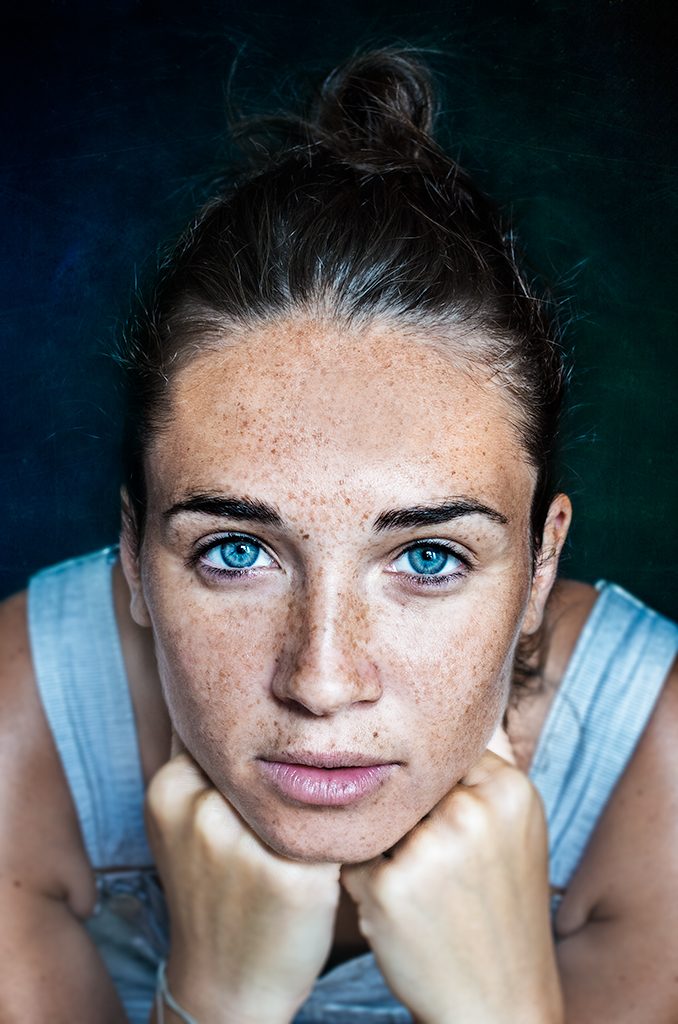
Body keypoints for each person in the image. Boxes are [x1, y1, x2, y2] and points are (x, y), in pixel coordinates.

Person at [1, 47, 677, 1024]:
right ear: (134, 558)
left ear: (540, 567)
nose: (320, 681)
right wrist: (216, 1000)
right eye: (236, 551)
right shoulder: (27, 728)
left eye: (427, 558)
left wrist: (502, 1007)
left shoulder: (647, 770)